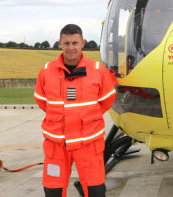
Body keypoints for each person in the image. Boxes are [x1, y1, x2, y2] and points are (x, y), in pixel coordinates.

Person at [34, 24, 117, 197]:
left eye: (75, 43)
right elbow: (42, 101)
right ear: (60, 43)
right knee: (52, 189)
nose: (71, 47)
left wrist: (88, 117)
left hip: (89, 145)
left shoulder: (97, 70)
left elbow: (107, 99)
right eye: (66, 43)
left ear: (82, 43)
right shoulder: (46, 71)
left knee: (95, 190)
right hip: (56, 146)